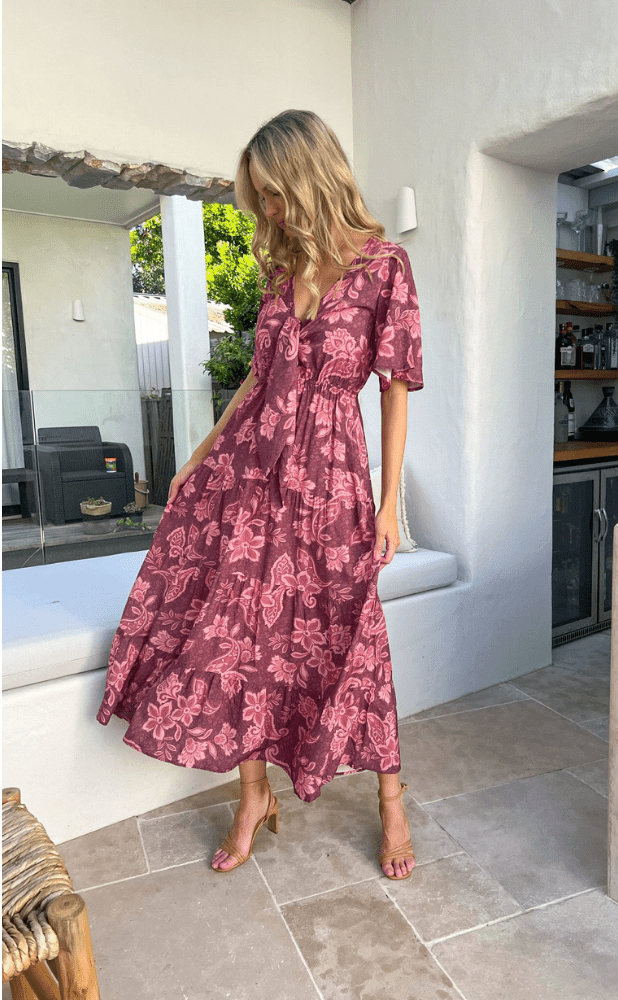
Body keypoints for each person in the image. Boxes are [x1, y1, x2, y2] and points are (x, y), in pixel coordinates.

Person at [96, 109, 424, 881]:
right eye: (260, 200)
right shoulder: (280, 274)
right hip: (251, 477)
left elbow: (395, 390)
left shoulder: (383, 268)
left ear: (308, 180)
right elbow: (256, 378)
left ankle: (391, 799)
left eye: (274, 196)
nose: (267, 213)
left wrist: (387, 504)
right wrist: (197, 456)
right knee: (239, 635)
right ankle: (253, 795)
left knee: (352, 632)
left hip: (334, 481)